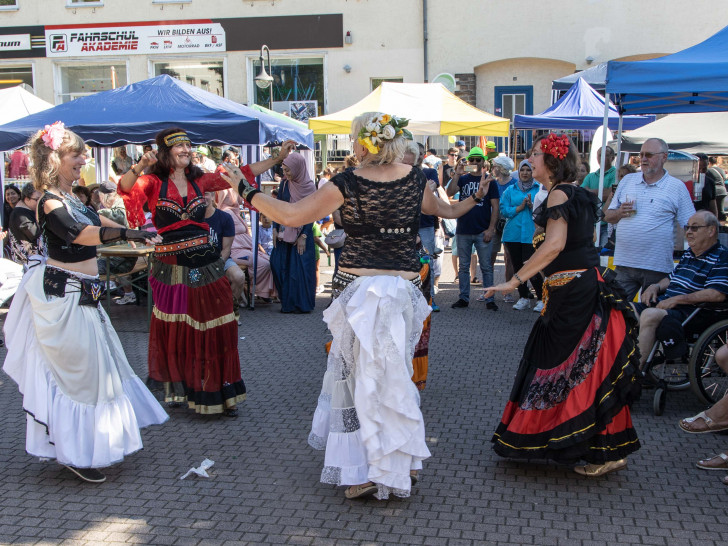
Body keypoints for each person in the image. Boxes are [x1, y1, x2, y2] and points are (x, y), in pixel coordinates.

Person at [220, 112, 488, 500]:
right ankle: (397, 461)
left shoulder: (346, 181)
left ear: (363, 142)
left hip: (360, 290)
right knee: (393, 375)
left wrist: (247, 192)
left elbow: (292, 215)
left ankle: (367, 468)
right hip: (400, 290)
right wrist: (476, 197)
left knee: (361, 378)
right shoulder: (417, 179)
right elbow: (446, 212)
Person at [2, 122, 167, 484]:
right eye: (76, 154)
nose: (84, 159)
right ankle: (73, 452)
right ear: (55, 158)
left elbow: (98, 219)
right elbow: (79, 234)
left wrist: (142, 233)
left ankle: (89, 448)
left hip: (85, 296)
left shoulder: (74, 197)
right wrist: (130, 232)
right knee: (80, 379)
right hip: (65, 296)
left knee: (99, 376)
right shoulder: (48, 201)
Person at [485, 133, 641, 477]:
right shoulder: (576, 192)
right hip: (573, 289)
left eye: (536, 155)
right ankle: (604, 449)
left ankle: (595, 448)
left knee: (578, 367)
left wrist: (514, 280)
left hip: (574, 291)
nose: (531, 160)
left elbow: (554, 246)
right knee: (585, 368)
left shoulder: (560, 192)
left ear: (552, 161)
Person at [118, 127, 259, 417]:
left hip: (204, 263)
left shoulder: (200, 181)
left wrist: (277, 158)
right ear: (165, 152)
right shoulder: (153, 181)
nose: (186, 149)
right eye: (179, 146)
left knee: (213, 321)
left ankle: (213, 389)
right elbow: (126, 187)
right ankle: (186, 388)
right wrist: (140, 165)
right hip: (171, 268)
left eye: (188, 145)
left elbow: (240, 171)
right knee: (180, 326)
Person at [632, 211, 728, 370]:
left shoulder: (722, 257)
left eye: (695, 228)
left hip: (692, 312)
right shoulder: (689, 254)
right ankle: (612, 365)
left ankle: (634, 373)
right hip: (668, 305)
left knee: (649, 314)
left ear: (711, 231)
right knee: (620, 310)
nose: (689, 232)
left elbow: (716, 294)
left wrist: (677, 299)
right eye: (687, 227)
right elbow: (670, 279)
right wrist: (655, 286)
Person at [605, 138, 695, 302]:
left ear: (664, 157)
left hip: (657, 267)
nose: (643, 159)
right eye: (641, 154)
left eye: (649, 155)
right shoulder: (628, 180)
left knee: (650, 316)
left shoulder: (676, 187)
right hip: (625, 263)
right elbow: (607, 216)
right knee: (613, 310)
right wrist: (619, 212)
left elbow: (690, 223)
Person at [446, 146, 501, 309]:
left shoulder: (490, 180)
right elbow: (449, 192)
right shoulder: (463, 179)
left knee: (486, 266)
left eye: (478, 160)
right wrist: (457, 173)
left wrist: (491, 229)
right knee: (463, 267)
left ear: (483, 162)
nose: (475, 162)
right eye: (472, 160)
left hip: (482, 229)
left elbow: (495, 207)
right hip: (463, 229)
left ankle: (489, 299)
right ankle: (463, 298)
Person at [270, 153, 317, 313]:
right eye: (284, 170)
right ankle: (288, 304)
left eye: (288, 171)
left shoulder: (309, 187)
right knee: (278, 264)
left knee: (299, 270)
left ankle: (302, 305)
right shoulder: (284, 184)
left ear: (298, 169)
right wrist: (275, 228)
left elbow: (312, 213)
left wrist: (303, 235)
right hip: (285, 232)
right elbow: (279, 206)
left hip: (303, 233)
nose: (286, 174)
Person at [215, 189, 276, 302]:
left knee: (268, 260)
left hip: (245, 248)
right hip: (235, 251)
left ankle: (260, 290)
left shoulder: (234, 212)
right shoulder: (226, 213)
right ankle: (253, 289)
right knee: (263, 263)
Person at [500, 160, 543, 312]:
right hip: (513, 234)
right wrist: (518, 208)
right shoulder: (510, 190)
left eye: (528, 170)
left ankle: (541, 297)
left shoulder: (539, 190)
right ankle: (523, 297)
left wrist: (532, 208)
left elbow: (543, 212)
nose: (525, 173)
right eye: (522, 170)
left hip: (531, 235)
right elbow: (503, 210)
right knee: (518, 268)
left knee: (532, 267)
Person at [203, 190, 246, 317]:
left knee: (239, 277)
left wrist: (215, 266)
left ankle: (230, 310)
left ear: (212, 196)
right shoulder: (192, 218)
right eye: (198, 194)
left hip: (221, 258)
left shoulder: (225, 218)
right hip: (197, 261)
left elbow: (226, 249)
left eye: (206, 193)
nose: (202, 197)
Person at [582, 146, 616, 247]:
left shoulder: (616, 174)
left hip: (607, 224)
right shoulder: (590, 176)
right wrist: (601, 192)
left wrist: (590, 191)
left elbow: (609, 195)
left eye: (605, 155)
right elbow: (583, 195)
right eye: (599, 155)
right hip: (591, 224)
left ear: (612, 157)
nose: (601, 158)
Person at [8, 183, 43, 266]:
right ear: (27, 199)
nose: (40, 203)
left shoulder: (27, 210)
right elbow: (35, 233)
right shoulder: (20, 214)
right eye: (37, 199)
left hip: (33, 261)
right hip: (27, 263)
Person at [695, 153, 719, 217]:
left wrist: (715, 221)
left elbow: (713, 205)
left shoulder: (710, 182)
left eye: (704, 169)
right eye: (698, 169)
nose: (701, 171)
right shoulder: (687, 182)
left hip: (705, 219)